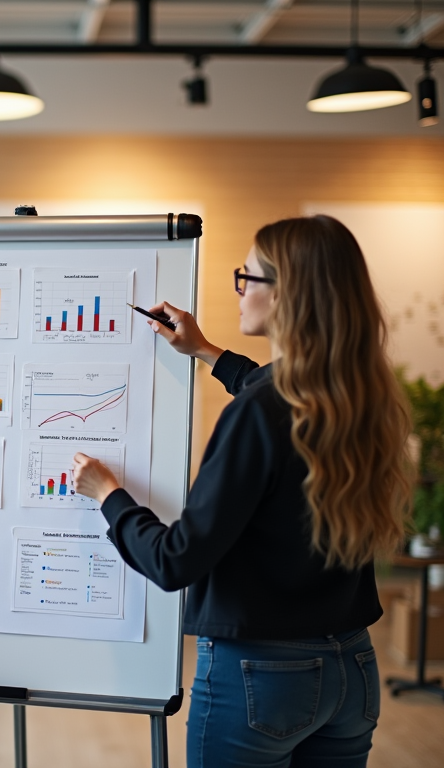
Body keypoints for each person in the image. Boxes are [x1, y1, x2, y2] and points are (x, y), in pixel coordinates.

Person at [72, 215, 411, 768]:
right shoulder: (361, 400)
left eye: (247, 277)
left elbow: (175, 561)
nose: (240, 289)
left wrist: (108, 493)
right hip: (353, 669)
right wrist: (207, 351)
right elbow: (280, 394)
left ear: (286, 295)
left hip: (262, 678)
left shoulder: (258, 414)